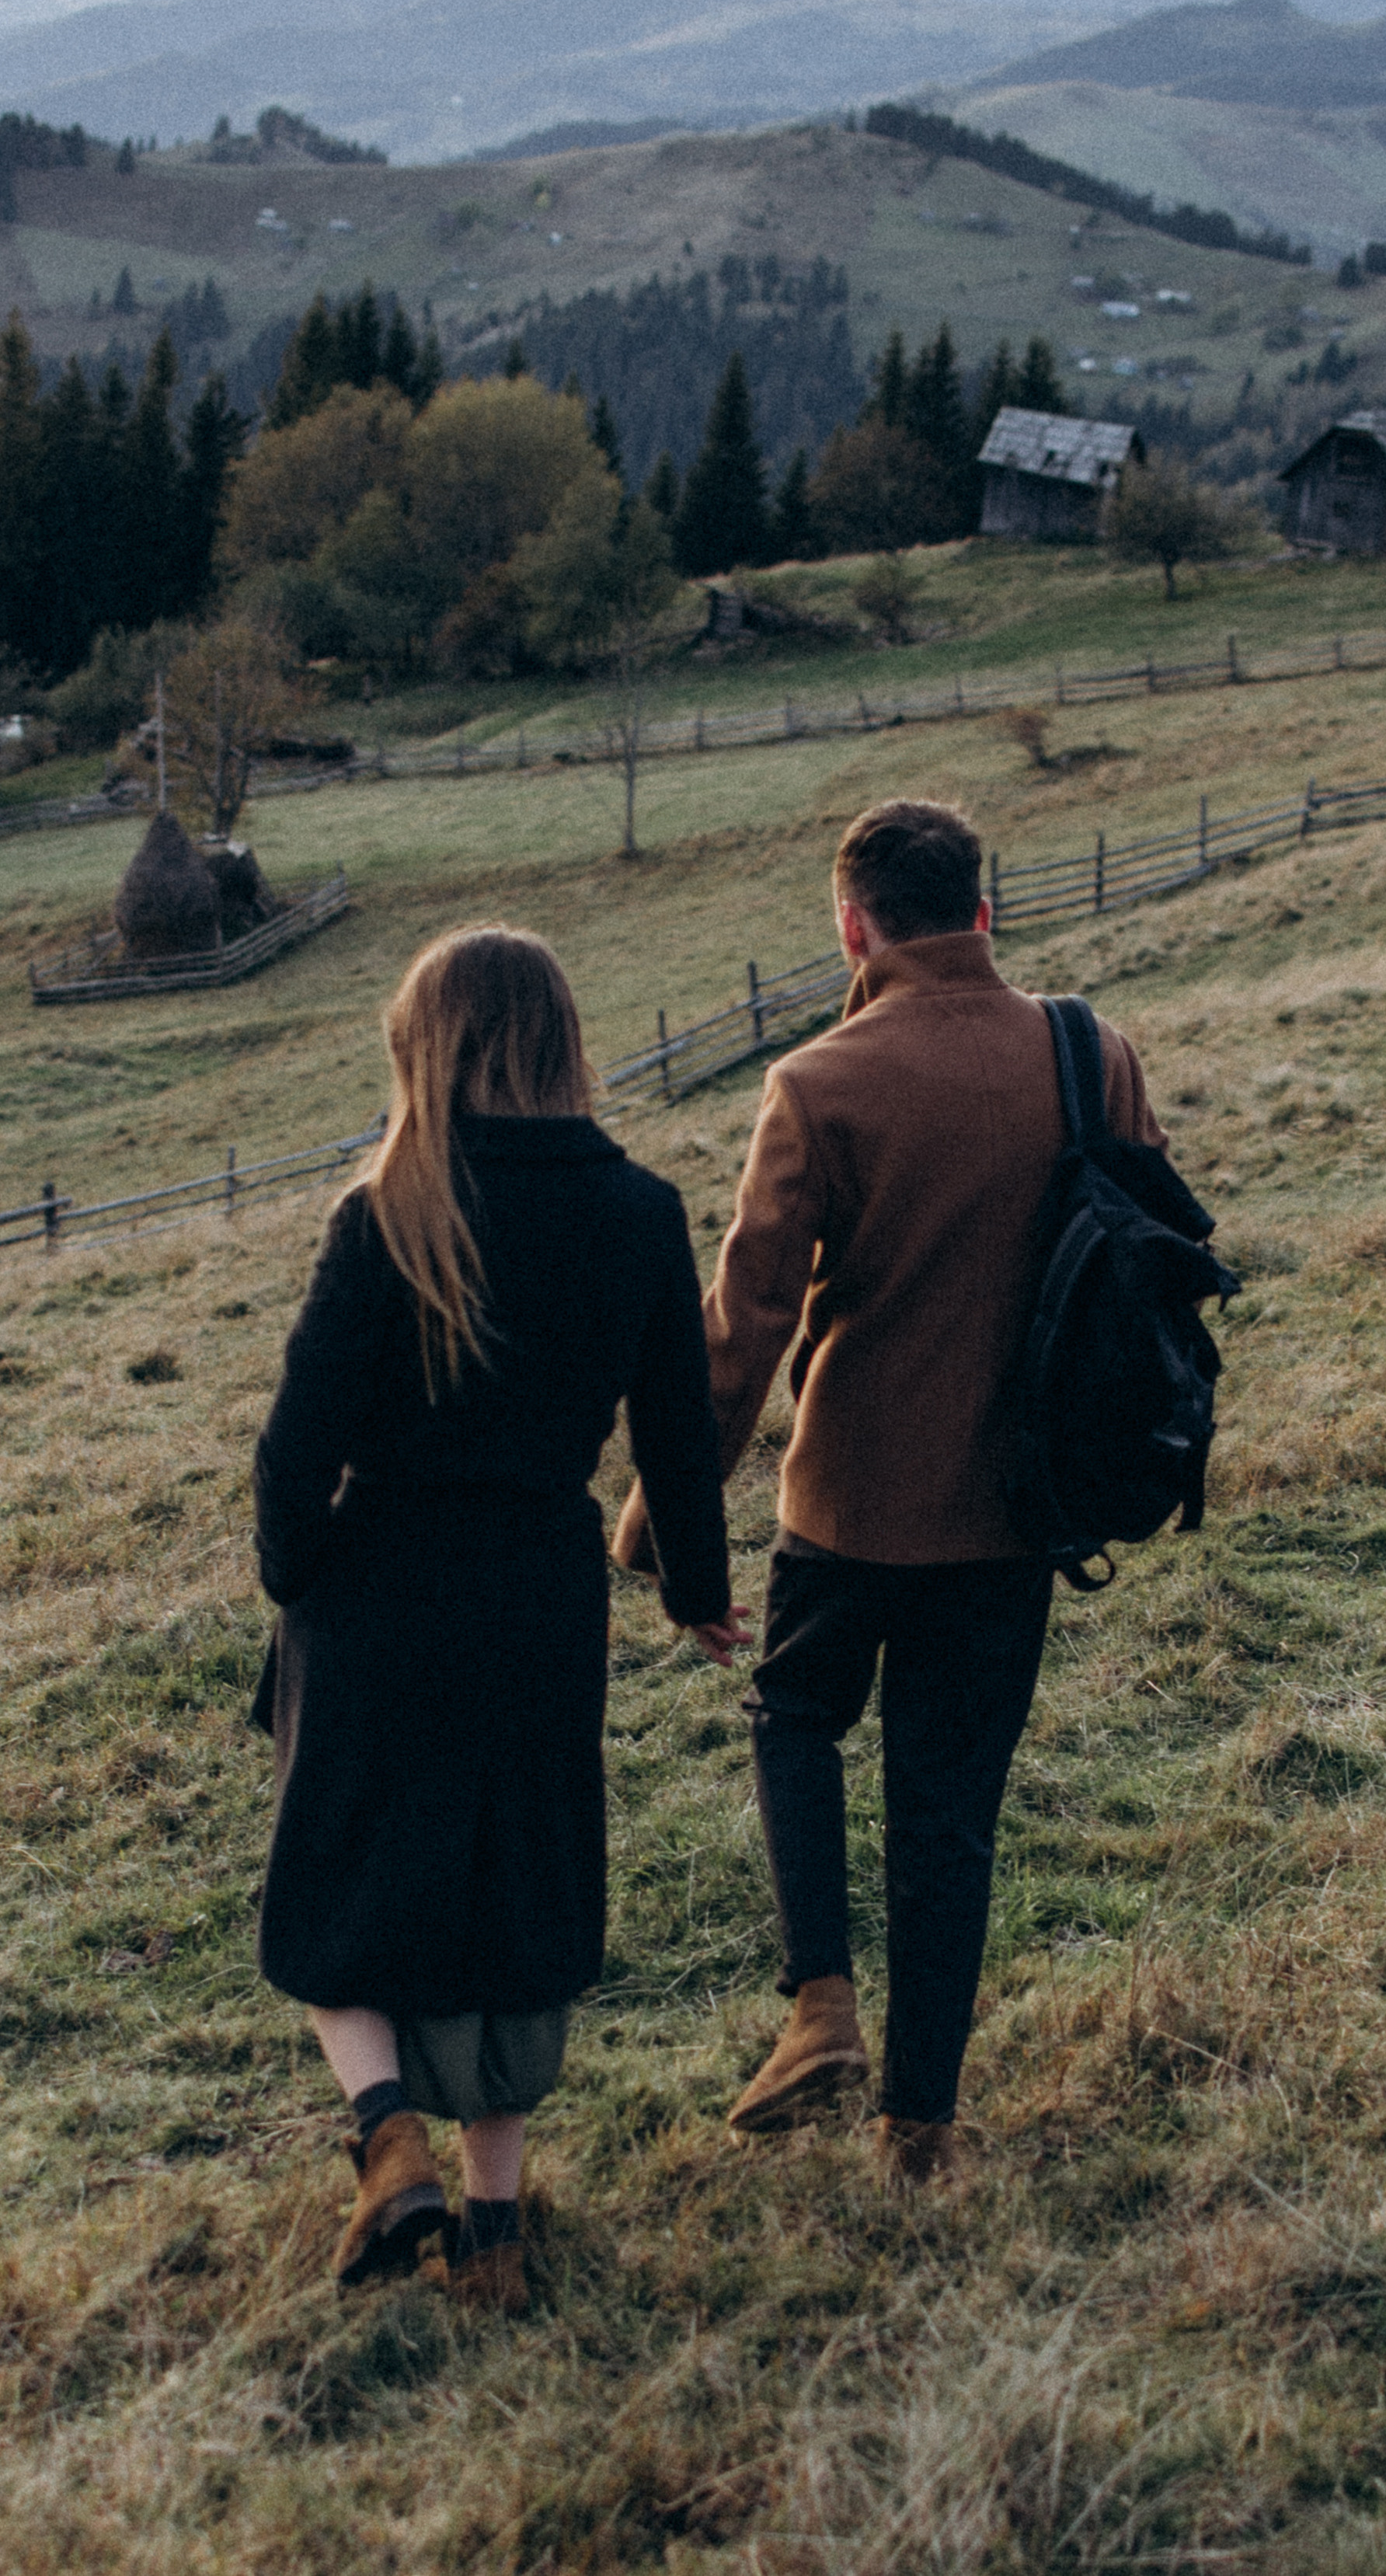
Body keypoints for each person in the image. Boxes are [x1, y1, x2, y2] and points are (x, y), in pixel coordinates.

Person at [614, 799, 1165, 2184]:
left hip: (847, 1505)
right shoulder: (1088, 1052)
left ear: (851, 925)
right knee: (948, 1808)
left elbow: (738, 1327)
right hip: (1017, 1507)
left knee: (793, 1714)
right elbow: (1146, 1265)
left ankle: (819, 2007)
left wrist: (656, 1522)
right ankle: (919, 2128)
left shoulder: (817, 1083)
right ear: (981, 909)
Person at [252, 925, 745, 2308]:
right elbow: (680, 1438)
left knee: (334, 1884)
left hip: (381, 1593)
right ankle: (493, 2233)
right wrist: (697, 1598)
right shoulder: (638, 1211)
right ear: (560, 1040)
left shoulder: (387, 1211)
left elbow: (294, 1452)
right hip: (538, 1590)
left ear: (430, 1046)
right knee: (513, 1890)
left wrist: (299, 1579)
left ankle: (384, 2133)